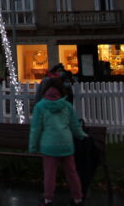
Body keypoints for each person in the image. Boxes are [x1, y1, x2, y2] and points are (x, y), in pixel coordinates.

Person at [29, 78, 87, 206]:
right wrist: (82, 136)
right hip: (66, 144)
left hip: (49, 146)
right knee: (72, 172)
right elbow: (74, 125)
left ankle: (48, 198)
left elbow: (36, 128)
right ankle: (78, 197)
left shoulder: (41, 106)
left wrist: (33, 146)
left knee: (49, 174)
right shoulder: (66, 106)